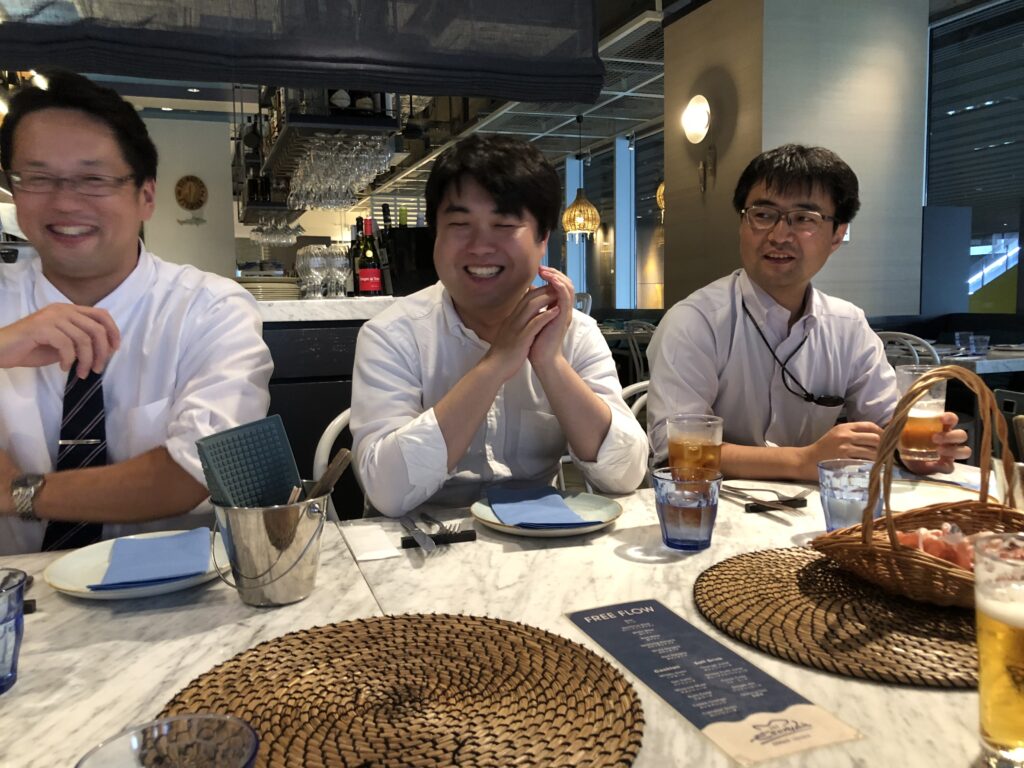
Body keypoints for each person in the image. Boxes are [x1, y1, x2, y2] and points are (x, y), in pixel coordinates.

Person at [0, 70, 273, 554]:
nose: (64, 202)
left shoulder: (209, 310)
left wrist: (17, 493)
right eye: (37, 178)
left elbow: (196, 472)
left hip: (170, 586)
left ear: (146, 196)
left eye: (93, 179)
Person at [350, 134, 649, 515]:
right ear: (436, 235)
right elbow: (388, 491)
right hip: (417, 540)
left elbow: (625, 474)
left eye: (504, 224)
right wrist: (496, 365)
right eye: (460, 223)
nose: (480, 246)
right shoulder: (393, 335)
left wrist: (551, 363)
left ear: (543, 239)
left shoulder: (575, 333)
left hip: (537, 539)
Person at [647, 144, 969, 481]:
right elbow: (678, 450)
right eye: (763, 215)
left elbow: (888, 423)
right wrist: (802, 461)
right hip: (712, 506)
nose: (779, 236)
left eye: (804, 219)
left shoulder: (847, 326)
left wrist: (912, 451)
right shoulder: (695, 322)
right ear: (742, 223)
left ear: (837, 235)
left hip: (820, 508)